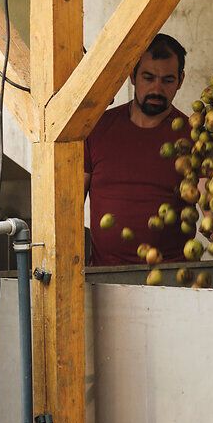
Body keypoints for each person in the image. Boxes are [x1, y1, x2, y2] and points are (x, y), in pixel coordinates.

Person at [86, 34, 191, 267]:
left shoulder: (192, 136)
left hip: (171, 278)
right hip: (103, 279)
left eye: (167, 80)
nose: (157, 88)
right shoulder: (97, 128)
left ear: (181, 80)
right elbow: (69, 205)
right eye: (148, 77)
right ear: (132, 75)